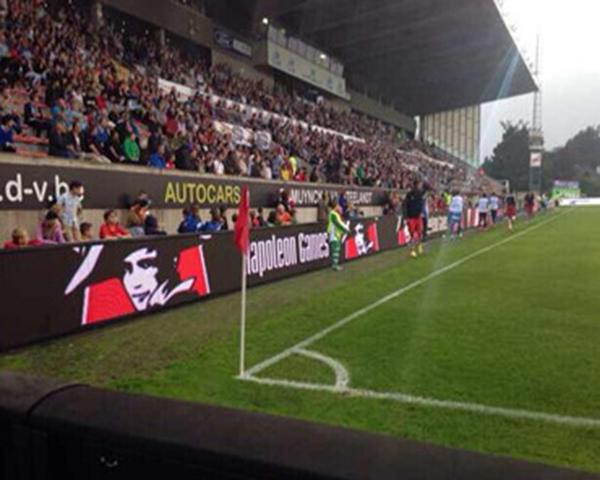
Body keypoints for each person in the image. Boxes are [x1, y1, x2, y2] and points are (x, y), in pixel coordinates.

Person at [402, 180, 425, 258]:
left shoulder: (420, 194)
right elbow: (405, 205)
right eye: (417, 185)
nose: (418, 187)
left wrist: (421, 212)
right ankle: (412, 250)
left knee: (420, 232)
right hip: (411, 217)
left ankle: (419, 246)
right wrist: (406, 217)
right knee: (412, 234)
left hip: (418, 216)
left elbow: (421, 204)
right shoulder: (409, 195)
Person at [328, 200, 350, 271]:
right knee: (335, 248)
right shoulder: (333, 214)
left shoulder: (336, 214)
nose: (339, 207)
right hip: (333, 233)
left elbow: (340, 223)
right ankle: (335, 265)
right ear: (335, 206)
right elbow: (337, 223)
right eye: (337, 205)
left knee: (337, 248)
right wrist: (345, 229)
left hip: (336, 233)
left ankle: (335, 264)